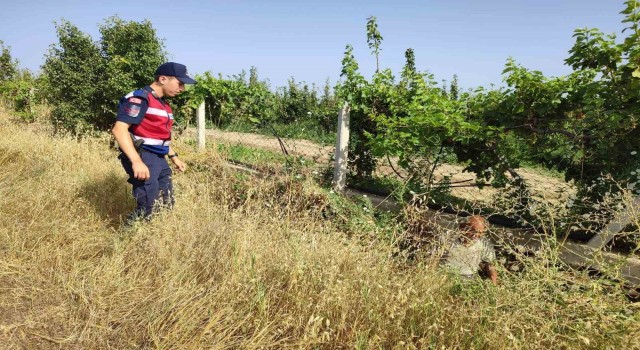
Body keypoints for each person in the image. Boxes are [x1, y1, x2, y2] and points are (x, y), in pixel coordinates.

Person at [111, 62, 196, 223]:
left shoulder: (163, 103)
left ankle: (153, 238)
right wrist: (136, 162)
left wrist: (174, 157)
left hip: (159, 158)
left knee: (166, 201)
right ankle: (127, 238)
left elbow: (157, 136)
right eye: (180, 83)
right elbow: (119, 130)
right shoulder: (140, 99)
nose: (182, 89)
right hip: (144, 157)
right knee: (148, 206)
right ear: (163, 79)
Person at [442, 215, 498, 284]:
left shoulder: (484, 243)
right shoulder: (448, 238)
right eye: (473, 231)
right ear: (462, 228)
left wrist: (493, 282)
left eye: (480, 232)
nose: (476, 235)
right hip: (444, 276)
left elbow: (491, 265)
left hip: (468, 280)